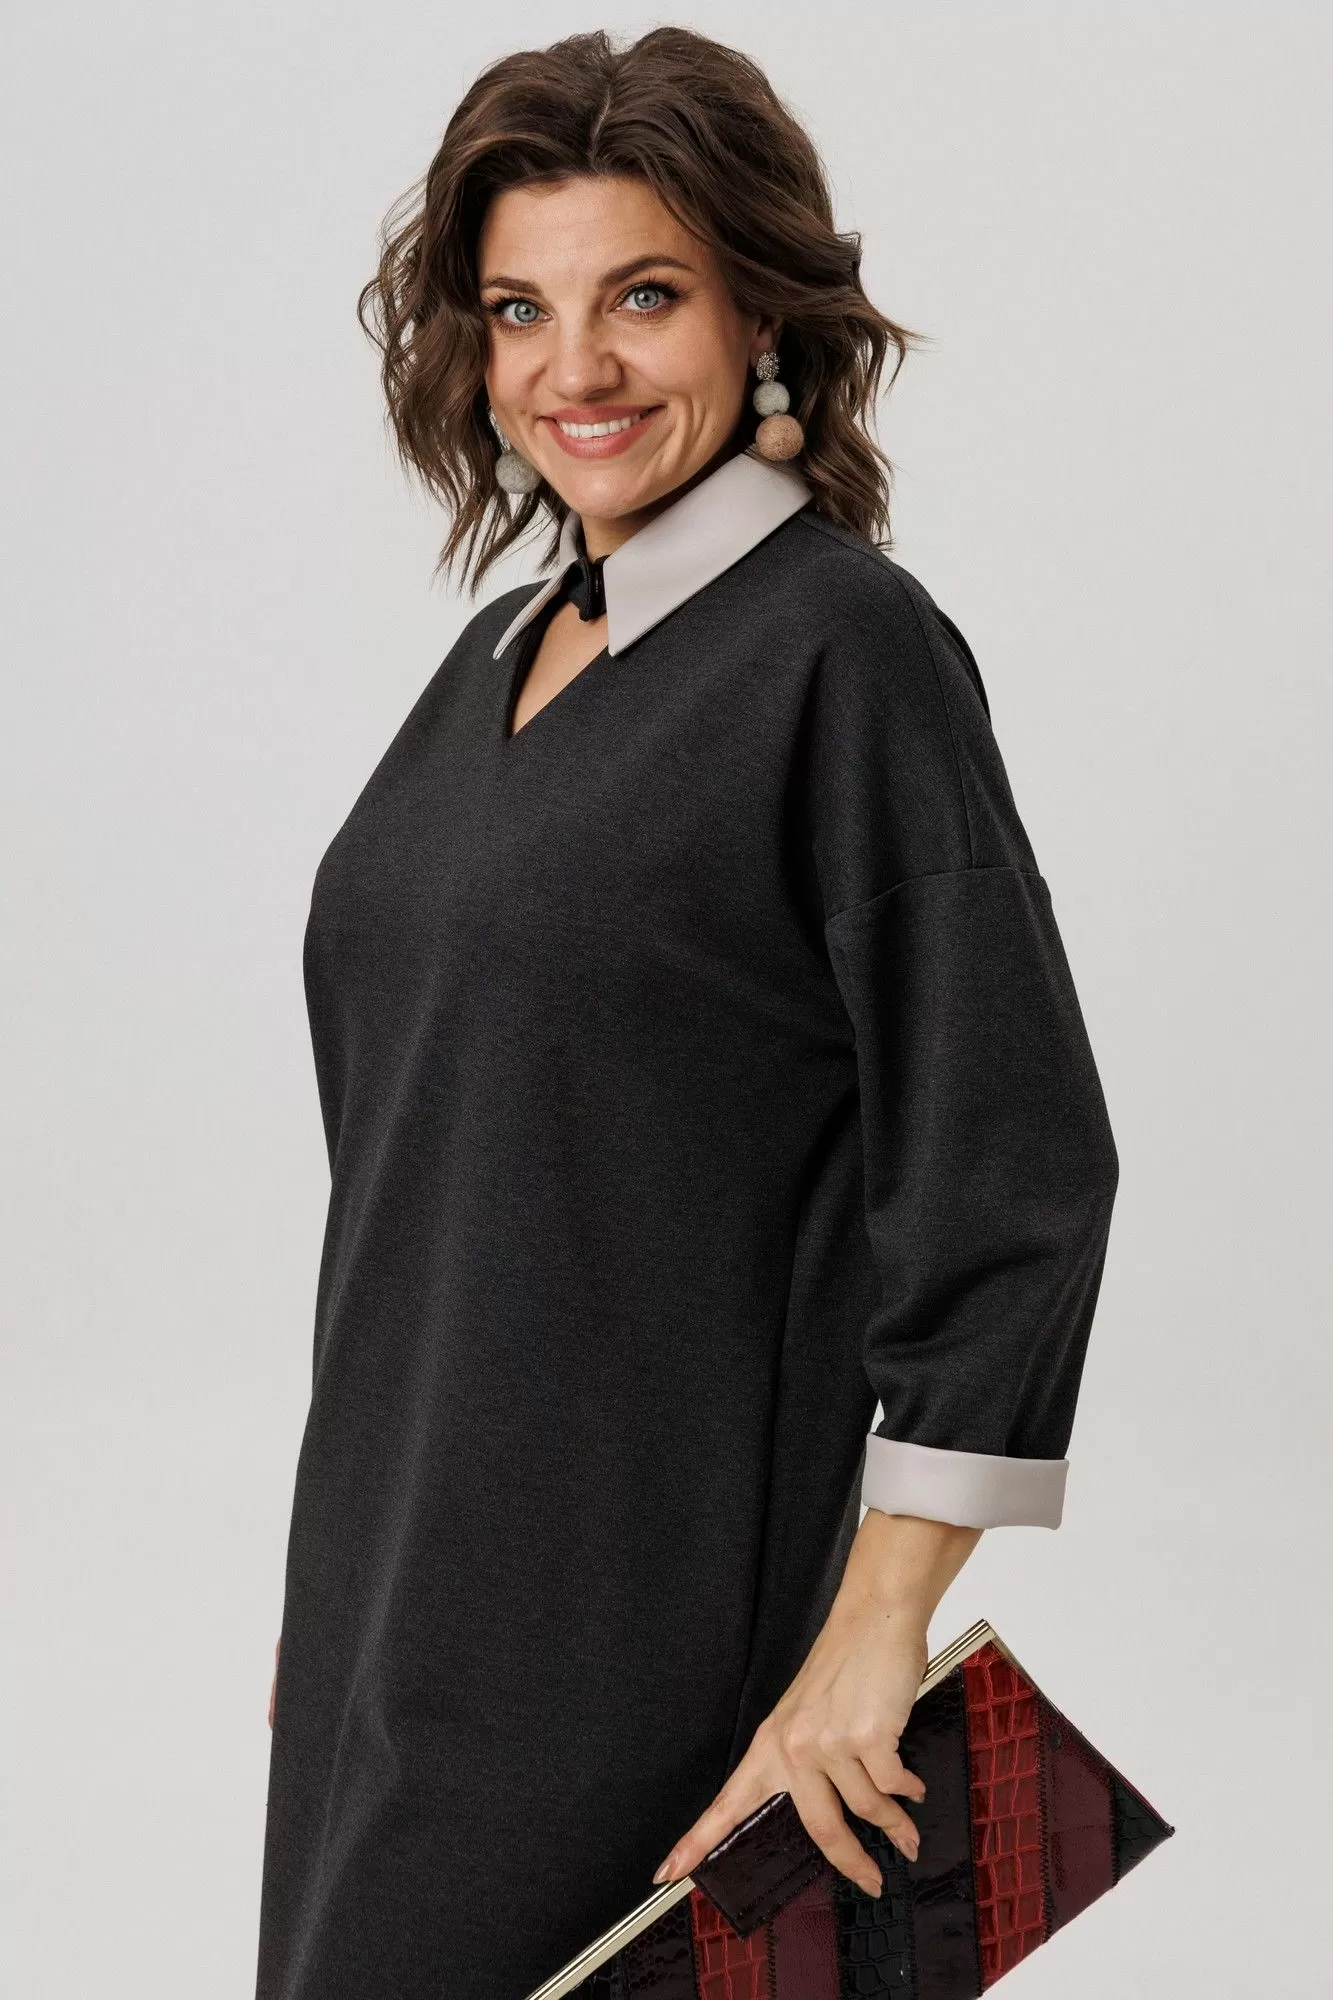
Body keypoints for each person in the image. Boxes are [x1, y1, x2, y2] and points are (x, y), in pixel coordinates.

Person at [253, 26, 1120, 2000]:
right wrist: (346, 1597)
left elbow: (1013, 1169)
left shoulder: (843, 650)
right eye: (520, 310)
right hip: (389, 1621)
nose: (577, 367)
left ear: (762, 312)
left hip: (629, 1635)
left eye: (643, 295)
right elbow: (435, 1170)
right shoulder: (499, 652)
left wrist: (870, 1641)